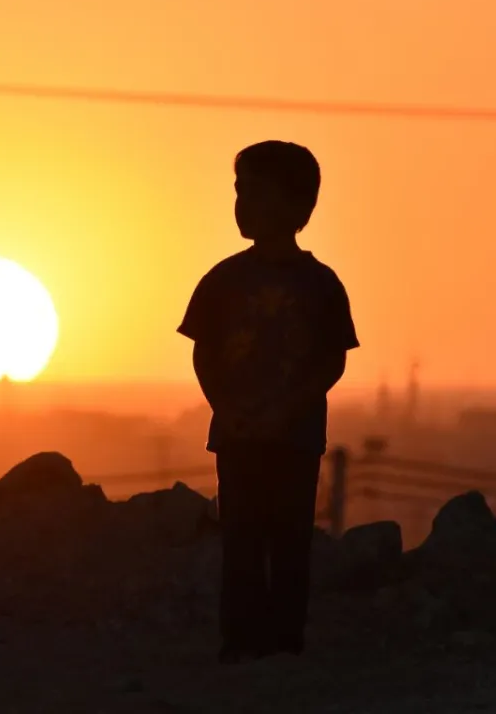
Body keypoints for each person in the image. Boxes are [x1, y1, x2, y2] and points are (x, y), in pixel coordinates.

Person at [177, 140, 359, 664]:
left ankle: (284, 640)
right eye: (238, 192)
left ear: (296, 205)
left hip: (296, 439)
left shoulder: (321, 285)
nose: (240, 204)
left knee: (289, 539)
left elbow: (331, 362)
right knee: (241, 539)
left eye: (252, 193)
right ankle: (241, 639)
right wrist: (226, 406)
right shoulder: (222, 280)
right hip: (237, 435)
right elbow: (204, 356)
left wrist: (290, 407)